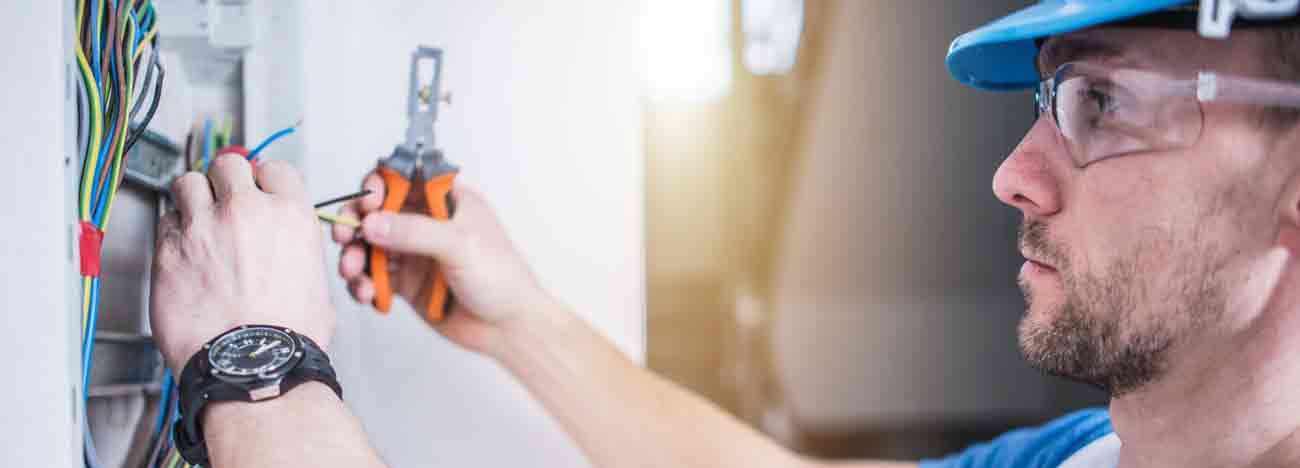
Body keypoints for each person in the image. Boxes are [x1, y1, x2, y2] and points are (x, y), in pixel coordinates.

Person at [148, 1, 1300, 467]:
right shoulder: (1093, 455)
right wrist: (523, 323)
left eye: (1101, 105)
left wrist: (260, 368)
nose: (1011, 174)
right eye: (1041, 103)